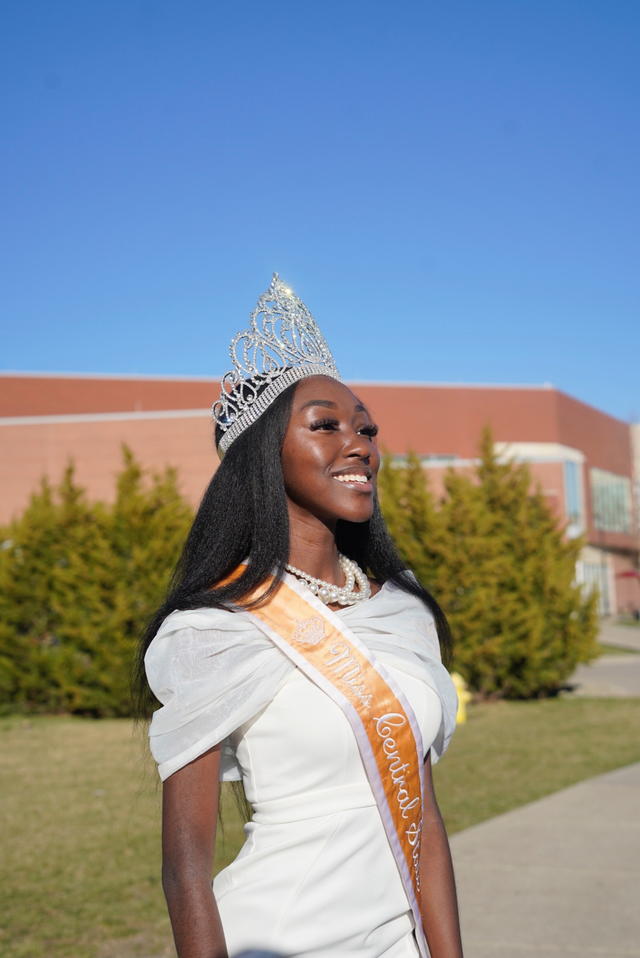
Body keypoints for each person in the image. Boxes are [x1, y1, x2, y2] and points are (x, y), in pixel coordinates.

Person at [136, 275, 463, 958]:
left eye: (367, 428)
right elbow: (186, 865)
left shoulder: (400, 612)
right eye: (326, 426)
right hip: (279, 938)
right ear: (263, 452)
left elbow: (426, 822)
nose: (360, 444)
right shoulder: (214, 630)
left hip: (397, 940)